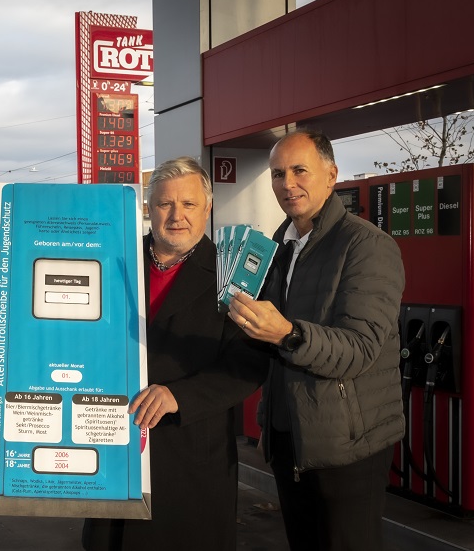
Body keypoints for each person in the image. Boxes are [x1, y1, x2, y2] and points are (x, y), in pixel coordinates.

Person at [229, 130, 406, 551]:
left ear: (331, 175)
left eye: (299, 170)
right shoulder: (278, 246)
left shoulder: (367, 245)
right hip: (290, 438)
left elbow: (361, 349)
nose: (287, 184)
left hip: (348, 445)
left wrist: (288, 334)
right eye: (277, 174)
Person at [82, 157, 268, 550]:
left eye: (188, 204)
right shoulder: (111, 261)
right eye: (166, 204)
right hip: (111, 446)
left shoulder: (233, 271)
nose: (176, 215)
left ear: (208, 207)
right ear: (149, 209)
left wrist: (176, 396)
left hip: (190, 458)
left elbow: (247, 364)